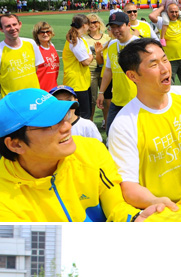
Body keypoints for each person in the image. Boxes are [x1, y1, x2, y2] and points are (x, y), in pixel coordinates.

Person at [0, 87, 164, 222]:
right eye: (50, 124)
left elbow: (116, 205)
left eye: (64, 116)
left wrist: (135, 219)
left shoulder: (91, 149)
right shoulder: (5, 201)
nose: (67, 127)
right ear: (15, 144)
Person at [108, 38, 181, 208]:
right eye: (153, 64)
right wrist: (155, 201)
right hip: (164, 211)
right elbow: (129, 187)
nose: (165, 68)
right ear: (132, 76)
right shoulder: (123, 125)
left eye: (165, 60)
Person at [98, 12, 140, 133]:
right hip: (117, 100)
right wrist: (101, 92)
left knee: (134, 135)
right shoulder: (112, 45)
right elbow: (108, 70)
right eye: (112, 27)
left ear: (128, 25)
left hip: (135, 100)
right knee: (111, 132)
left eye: (119, 26)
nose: (115, 30)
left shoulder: (138, 45)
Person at [0, 13, 43, 97]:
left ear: (20, 24)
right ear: (1, 29)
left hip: (34, 98)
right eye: (8, 26)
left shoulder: (31, 43)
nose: (13, 28)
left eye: (14, 24)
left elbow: (36, 68)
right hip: (12, 103)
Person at [62, 14, 93, 120]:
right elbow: (86, 61)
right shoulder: (75, 41)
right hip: (77, 83)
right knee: (82, 116)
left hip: (81, 81)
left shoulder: (78, 39)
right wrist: (91, 56)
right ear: (84, 25)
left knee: (82, 114)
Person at [33, 21, 59, 91]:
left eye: (48, 32)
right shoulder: (35, 49)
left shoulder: (52, 46)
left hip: (53, 89)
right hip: (40, 90)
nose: (45, 34)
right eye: (42, 32)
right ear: (36, 34)